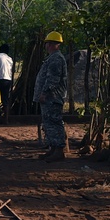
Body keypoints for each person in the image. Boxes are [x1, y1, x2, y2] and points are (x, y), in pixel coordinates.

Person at [34, 31, 68, 162]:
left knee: (54, 122)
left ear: (53, 44)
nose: (46, 46)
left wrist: (44, 92)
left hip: (52, 97)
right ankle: (53, 149)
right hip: (50, 97)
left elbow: (53, 79)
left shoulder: (56, 59)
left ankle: (58, 150)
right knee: (49, 123)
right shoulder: (53, 58)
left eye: (48, 43)